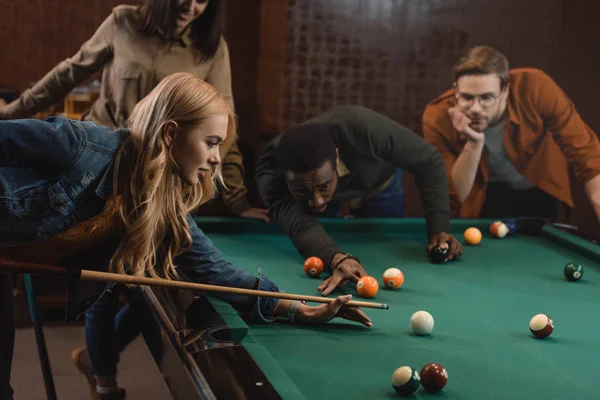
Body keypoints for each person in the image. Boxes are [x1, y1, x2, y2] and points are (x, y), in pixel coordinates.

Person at [0, 73, 371, 400]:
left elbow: (218, 273)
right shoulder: (77, 145)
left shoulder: (161, 204)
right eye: (211, 142)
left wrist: (299, 308)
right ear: (171, 133)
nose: (215, 158)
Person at [0, 0, 269, 223]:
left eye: (201, 0)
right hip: (95, 161)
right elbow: (67, 75)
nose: (189, 6)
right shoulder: (122, 22)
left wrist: (238, 200)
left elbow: (223, 126)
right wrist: (12, 111)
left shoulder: (212, 47)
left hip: (154, 177)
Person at [255, 105, 463, 297]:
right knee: (317, 236)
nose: (316, 201)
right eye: (302, 190)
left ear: (335, 158)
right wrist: (336, 258)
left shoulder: (366, 130)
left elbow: (429, 160)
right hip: (330, 196)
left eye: (323, 187)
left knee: (383, 240)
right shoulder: (270, 170)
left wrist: (439, 228)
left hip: (378, 186)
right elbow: (299, 223)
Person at [422, 45, 600, 222]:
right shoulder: (437, 117)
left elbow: (587, 154)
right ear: (456, 90)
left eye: (486, 98)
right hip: (485, 194)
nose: (475, 108)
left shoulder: (535, 88)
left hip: (539, 186)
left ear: (505, 91)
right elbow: (455, 195)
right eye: (467, 97)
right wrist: (473, 143)